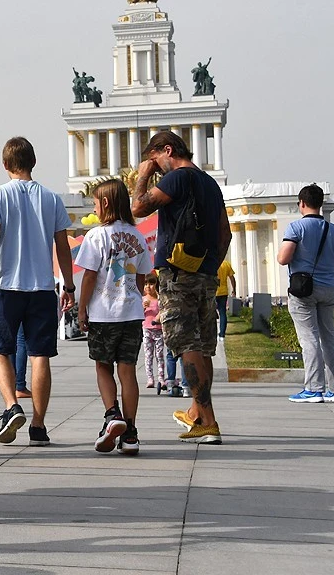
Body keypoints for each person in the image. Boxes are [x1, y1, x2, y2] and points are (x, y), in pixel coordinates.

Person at [0, 137, 76, 447]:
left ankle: (11, 406)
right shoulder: (52, 198)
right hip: (43, 287)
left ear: (6, 165)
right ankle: (39, 426)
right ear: (33, 162)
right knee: (40, 356)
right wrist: (68, 286)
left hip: (7, 286)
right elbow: (62, 247)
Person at [132, 130, 230, 445]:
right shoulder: (210, 183)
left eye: (155, 159)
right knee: (202, 347)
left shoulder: (177, 178)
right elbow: (225, 234)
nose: (155, 167)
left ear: (168, 150)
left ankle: (209, 421)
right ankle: (196, 412)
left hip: (177, 274)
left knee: (186, 343)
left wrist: (142, 176)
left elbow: (138, 208)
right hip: (205, 274)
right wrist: (210, 266)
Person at [76, 180, 151, 455]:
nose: (94, 207)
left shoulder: (97, 236)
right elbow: (142, 276)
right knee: (128, 371)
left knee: (103, 367)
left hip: (103, 313)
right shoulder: (138, 235)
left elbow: (89, 276)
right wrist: (132, 298)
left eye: (95, 202)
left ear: (105, 203)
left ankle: (112, 415)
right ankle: (130, 433)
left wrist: (82, 308)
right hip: (131, 313)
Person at [277, 184, 334, 403]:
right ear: (321, 204)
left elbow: (283, 258)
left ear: (302, 204)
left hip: (303, 289)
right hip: (328, 289)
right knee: (330, 339)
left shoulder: (295, 228)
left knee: (309, 340)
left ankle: (314, 389)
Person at [142, 274, 166, 390]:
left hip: (159, 330)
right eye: (146, 284)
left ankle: (161, 377)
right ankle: (150, 378)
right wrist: (142, 308)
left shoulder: (160, 299)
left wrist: (158, 316)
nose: (148, 287)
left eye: (151, 284)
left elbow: (163, 311)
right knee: (148, 355)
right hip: (147, 330)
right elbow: (139, 315)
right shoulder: (142, 299)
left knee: (160, 354)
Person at [215, 260, 236, 339]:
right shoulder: (226, 264)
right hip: (223, 292)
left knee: (209, 313)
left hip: (212, 291)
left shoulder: (213, 261)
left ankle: (212, 333)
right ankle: (222, 334)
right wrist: (234, 289)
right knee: (222, 313)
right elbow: (232, 278)